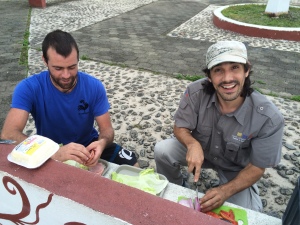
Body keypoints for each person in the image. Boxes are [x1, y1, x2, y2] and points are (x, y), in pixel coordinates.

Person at [154, 40, 284, 212]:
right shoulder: (195, 92)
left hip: (235, 167)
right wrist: (192, 144)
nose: (227, 78)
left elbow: (257, 167)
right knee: (162, 150)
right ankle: (176, 187)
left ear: (247, 70)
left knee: (250, 213)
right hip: (202, 150)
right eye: (218, 70)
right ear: (209, 76)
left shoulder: (269, 118)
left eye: (235, 68)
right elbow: (180, 127)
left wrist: (224, 191)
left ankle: (229, 187)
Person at [1, 29, 138, 168]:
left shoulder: (94, 86)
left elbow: (107, 129)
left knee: (135, 166)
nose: (66, 75)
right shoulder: (29, 87)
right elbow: (8, 134)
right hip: (49, 149)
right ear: (45, 61)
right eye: (58, 68)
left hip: (88, 146)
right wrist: (54, 153)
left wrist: (101, 143)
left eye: (72, 67)